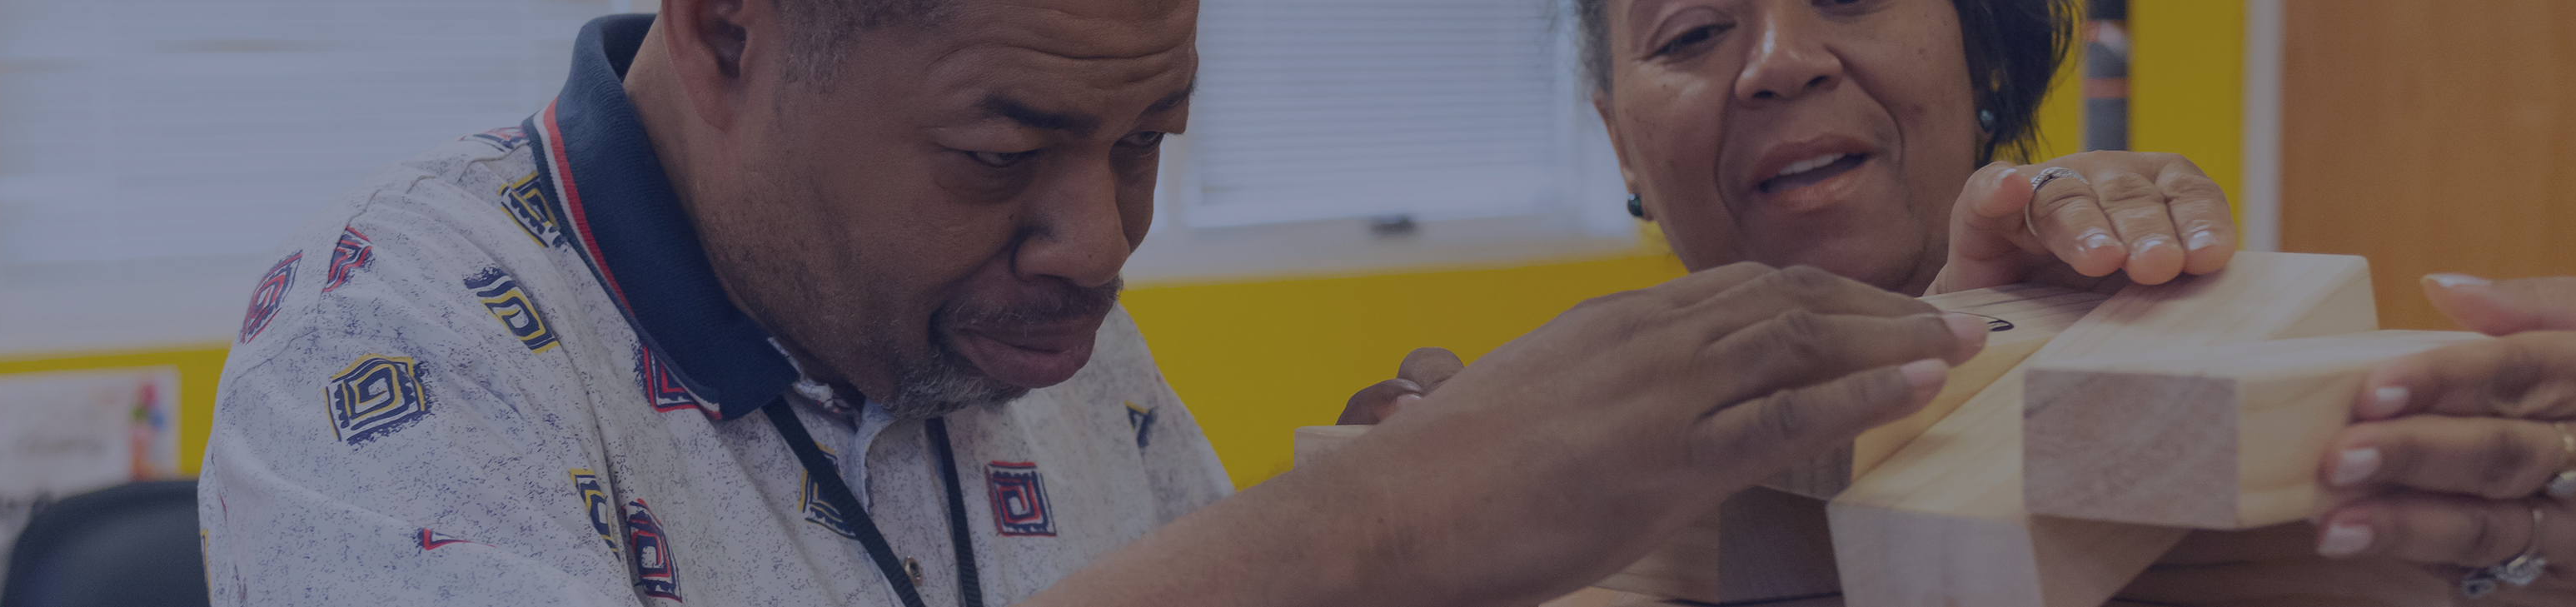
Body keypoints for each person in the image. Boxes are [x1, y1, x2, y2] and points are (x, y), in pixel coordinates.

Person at [198, 1, 1987, 606]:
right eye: (1003, 151)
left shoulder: (1019, 311)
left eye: (1149, 143)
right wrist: (1366, 528)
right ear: (732, 29)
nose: (1098, 240)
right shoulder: (394, 336)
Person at [1355, 0, 2576, 605]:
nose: (1780, 57)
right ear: (1620, 143)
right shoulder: (1524, 490)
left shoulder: (2254, 423)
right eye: (1691, 29)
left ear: (1981, 62)